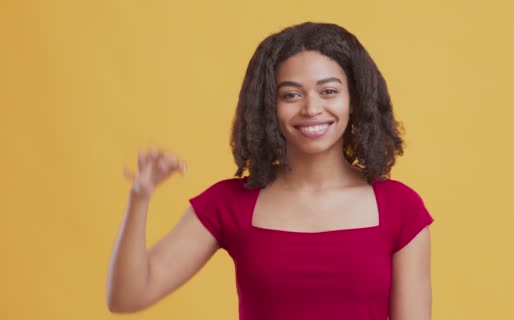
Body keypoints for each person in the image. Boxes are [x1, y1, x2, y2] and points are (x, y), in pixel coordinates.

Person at [106, 22, 434, 320]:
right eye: (291, 94)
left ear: (355, 99)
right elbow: (127, 298)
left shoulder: (400, 208)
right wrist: (139, 198)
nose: (311, 108)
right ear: (268, 106)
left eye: (329, 91)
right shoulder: (229, 203)